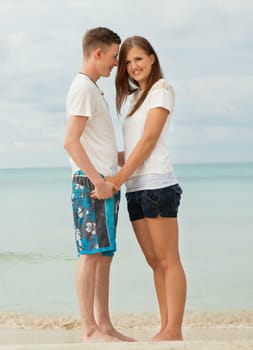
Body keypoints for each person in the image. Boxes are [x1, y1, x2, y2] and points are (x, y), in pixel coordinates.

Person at [108, 36, 187, 341]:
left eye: (138, 59)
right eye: (127, 62)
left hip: (157, 185)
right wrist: (106, 159)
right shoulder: (132, 99)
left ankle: (174, 329)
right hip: (135, 188)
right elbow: (132, 149)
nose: (133, 66)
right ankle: (165, 326)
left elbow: (149, 141)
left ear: (152, 58)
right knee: (154, 262)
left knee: (169, 259)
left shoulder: (161, 90)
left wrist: (116, 179)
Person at [64, 27, 133, 343]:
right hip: (92, 185)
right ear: (98, 53)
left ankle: (104, 326)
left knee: (104, 256)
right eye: (115, 56)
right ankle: (89, 329)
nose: (117, 63)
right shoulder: (82, 88)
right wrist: (98, 181)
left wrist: (123, 156)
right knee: (90, 255)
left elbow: (93, 142)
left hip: (104, 183)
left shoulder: (93, 89)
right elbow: (70, 142)